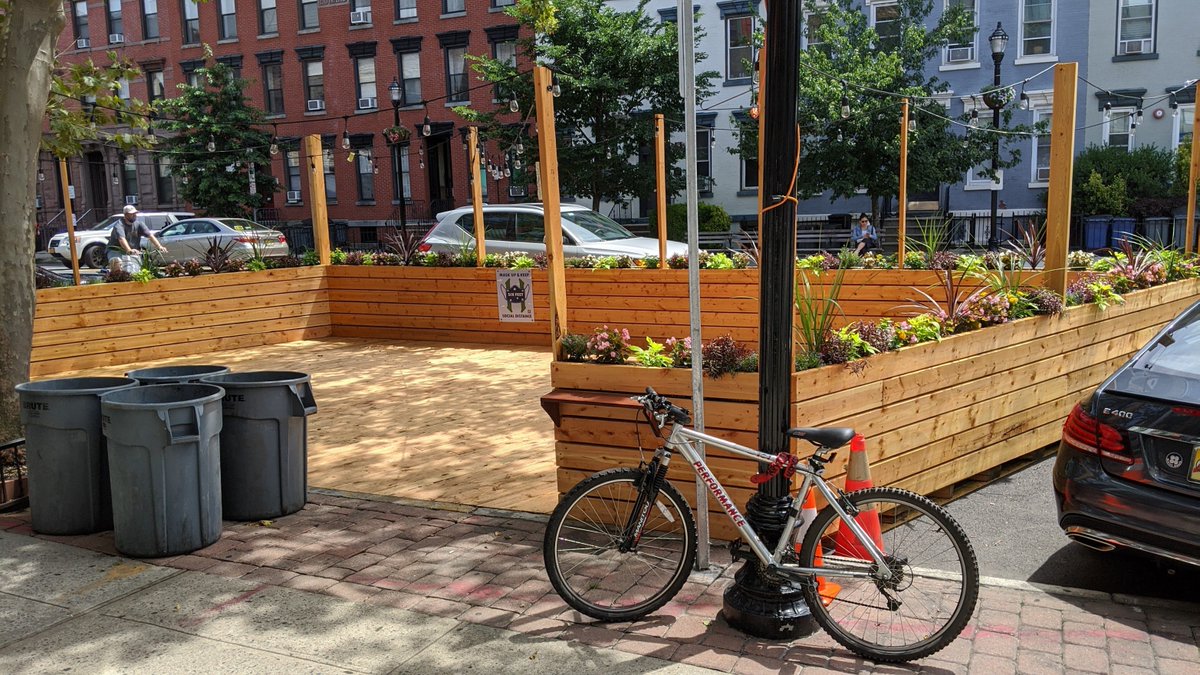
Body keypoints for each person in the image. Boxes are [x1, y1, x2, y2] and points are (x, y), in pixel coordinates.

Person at [107, 205, 167, 273]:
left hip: (133, 251)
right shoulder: (119, 225)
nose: (134, 215)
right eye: (132, 214)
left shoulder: (139, 224)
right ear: (126, 215)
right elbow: (121, 239)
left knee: (136, 270)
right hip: (116, 251)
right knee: (117, 262)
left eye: (135, 213)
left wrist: (159, 246)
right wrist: (129, 250)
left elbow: (150, 236)